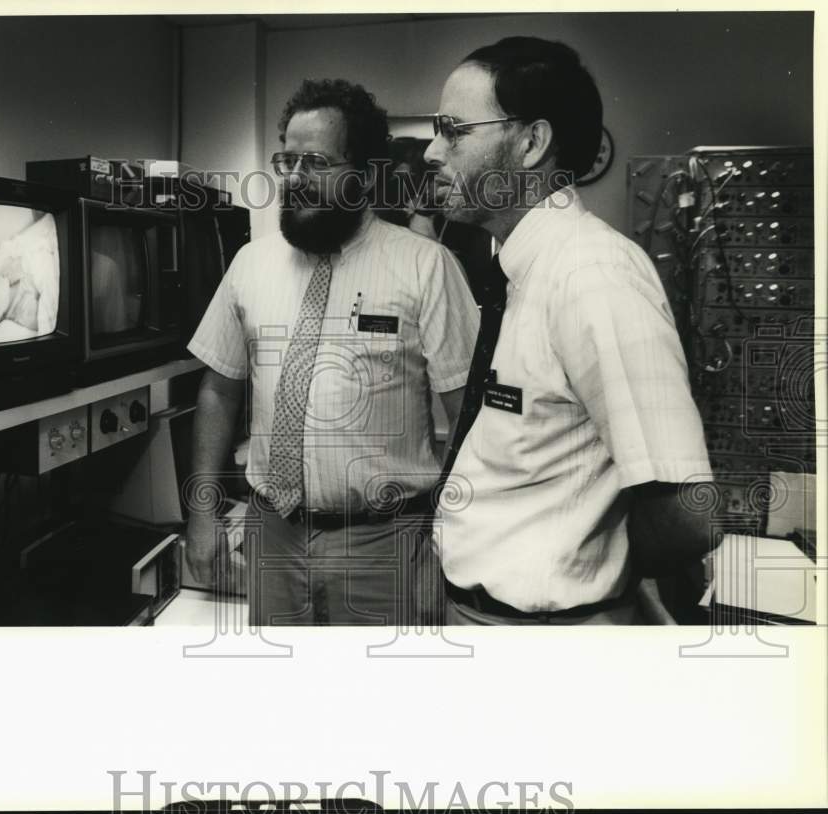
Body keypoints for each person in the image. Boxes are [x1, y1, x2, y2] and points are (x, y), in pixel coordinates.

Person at [425, 37, 713, 625]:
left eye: (454, 131)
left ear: (531, 143)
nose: (433, 151)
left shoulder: (592, 276)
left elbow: (688, 513)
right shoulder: (524, 268)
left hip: (546, 640)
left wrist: (601, 590)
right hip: (495, 619)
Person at [186, 78, 480, 626]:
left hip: (383, 544)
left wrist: (457, 533)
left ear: (365, 175)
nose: (294, 179)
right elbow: (218, 391)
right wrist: (202, 517)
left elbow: (468, 414)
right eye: (287, 161)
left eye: (316, 162)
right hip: (271, 536)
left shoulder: (426, 268)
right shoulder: (251, 264)